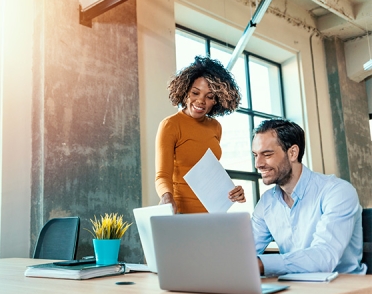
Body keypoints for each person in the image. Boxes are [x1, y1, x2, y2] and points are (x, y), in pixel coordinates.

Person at [252, 118, 367, 276]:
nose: (258, 163)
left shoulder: (337, 192)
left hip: (345, 290)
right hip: (297, 288)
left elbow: (324, 258)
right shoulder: (266, 203)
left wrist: (260, 264)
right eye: (255, 155)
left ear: (293, 153)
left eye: (267, 154)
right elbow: (245, 251)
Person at [155, 56, 245, 214]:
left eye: (209, 97)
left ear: (216, 101)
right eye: (195, 93)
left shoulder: (215, 127)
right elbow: (162, 175)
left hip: (212, 214)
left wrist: (233, 191)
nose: (201, 101)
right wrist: (166, 197)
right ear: (185, 91)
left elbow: (210, 174)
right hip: (180, 212)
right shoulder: (170, 125)